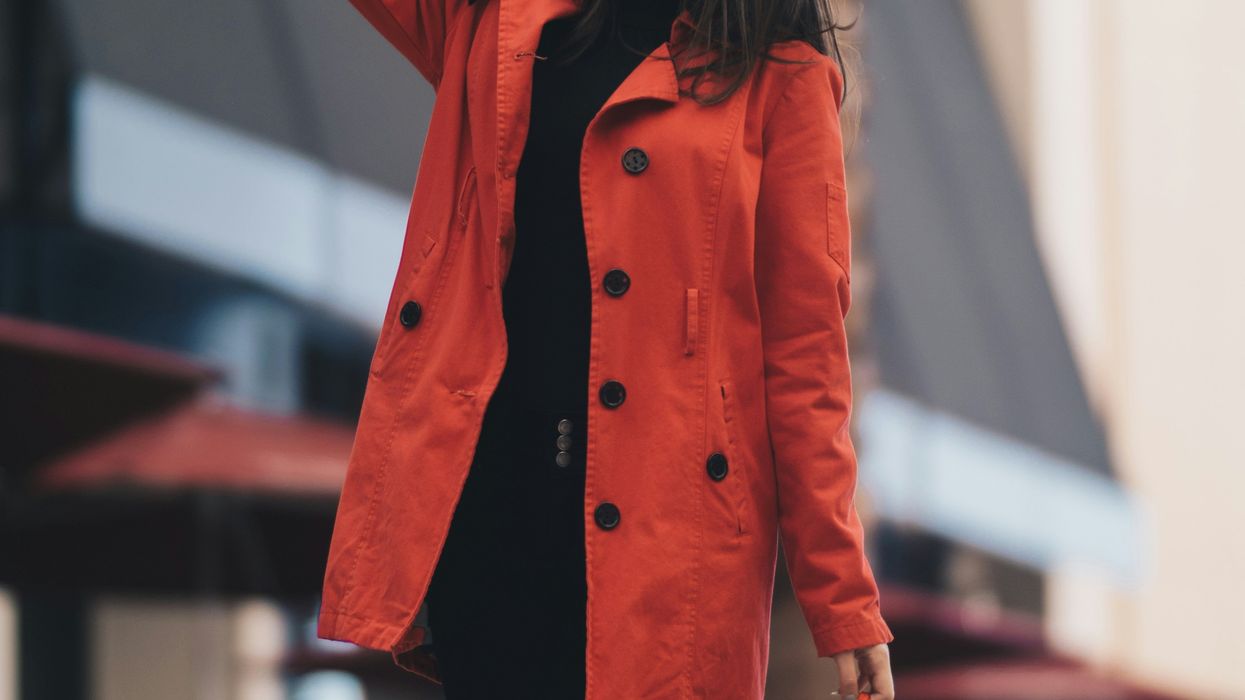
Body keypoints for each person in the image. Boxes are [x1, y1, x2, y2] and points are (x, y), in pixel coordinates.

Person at [321, 1, 897, 698]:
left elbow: (806, 366)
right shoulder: (495, 22)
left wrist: (844, 606)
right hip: (493, 518)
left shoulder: (781, 78)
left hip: (669, 553)